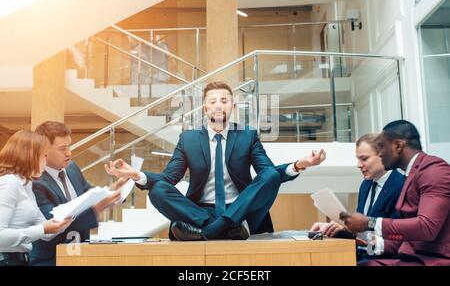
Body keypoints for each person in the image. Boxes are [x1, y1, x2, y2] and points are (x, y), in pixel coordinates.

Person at [105, 81, 326, 241]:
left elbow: (268, 173)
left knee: (268, 176)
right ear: (205, 108)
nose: (218, 105)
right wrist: (136, 175)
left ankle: (210, 232)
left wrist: (298, 165)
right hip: (200, 211)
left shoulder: (247, 136)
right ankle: (220, 227)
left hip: (241, 210)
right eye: (213, 101)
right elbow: (168, 179)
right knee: (157, 190)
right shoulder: (188, 139)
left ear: (233, 106)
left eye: (224, 100)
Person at [340, 120, 450, 266]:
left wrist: (370, 223)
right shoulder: (412, 175)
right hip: (408, 258)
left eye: (382, 147)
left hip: (431, 260)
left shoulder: (434, 171)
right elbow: (406, 236)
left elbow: (426, 227)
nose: (379, 154)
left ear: (398, 146)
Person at [30, 121, 122, 266]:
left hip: (80, 254)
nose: (69, 153)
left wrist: (114, 189)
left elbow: (89, 194)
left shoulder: (72, 168)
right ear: (44, 150)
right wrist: (98, 208)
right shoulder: (35, 182)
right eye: (62, 149)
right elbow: (53, 224)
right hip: (51, 259)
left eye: (69, 146)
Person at [310, 133, 405, 260]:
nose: (358, 165)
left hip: (385, 259)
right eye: (358, 159)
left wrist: (362, 237)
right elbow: (361, 229)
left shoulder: (402, 186)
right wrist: (341, 228)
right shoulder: (366, 185)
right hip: (362, 255)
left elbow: (400, 238)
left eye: (364, 158)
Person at [0, 130, 72, 266]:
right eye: (44, 156)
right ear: (29, 156)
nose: (46, 163)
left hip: (20, 260)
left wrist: (60, 224)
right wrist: (44, 229)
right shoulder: (9, 183)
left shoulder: (26, 185)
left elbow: (45, 232)